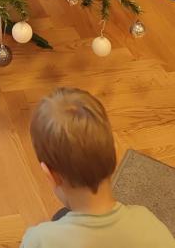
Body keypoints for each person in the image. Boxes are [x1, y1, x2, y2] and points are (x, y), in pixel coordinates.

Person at [20, 87, 174, 247]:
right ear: (115, 152)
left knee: (61, 215)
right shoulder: (148, 224)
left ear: (50, 175)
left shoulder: (40, 240)